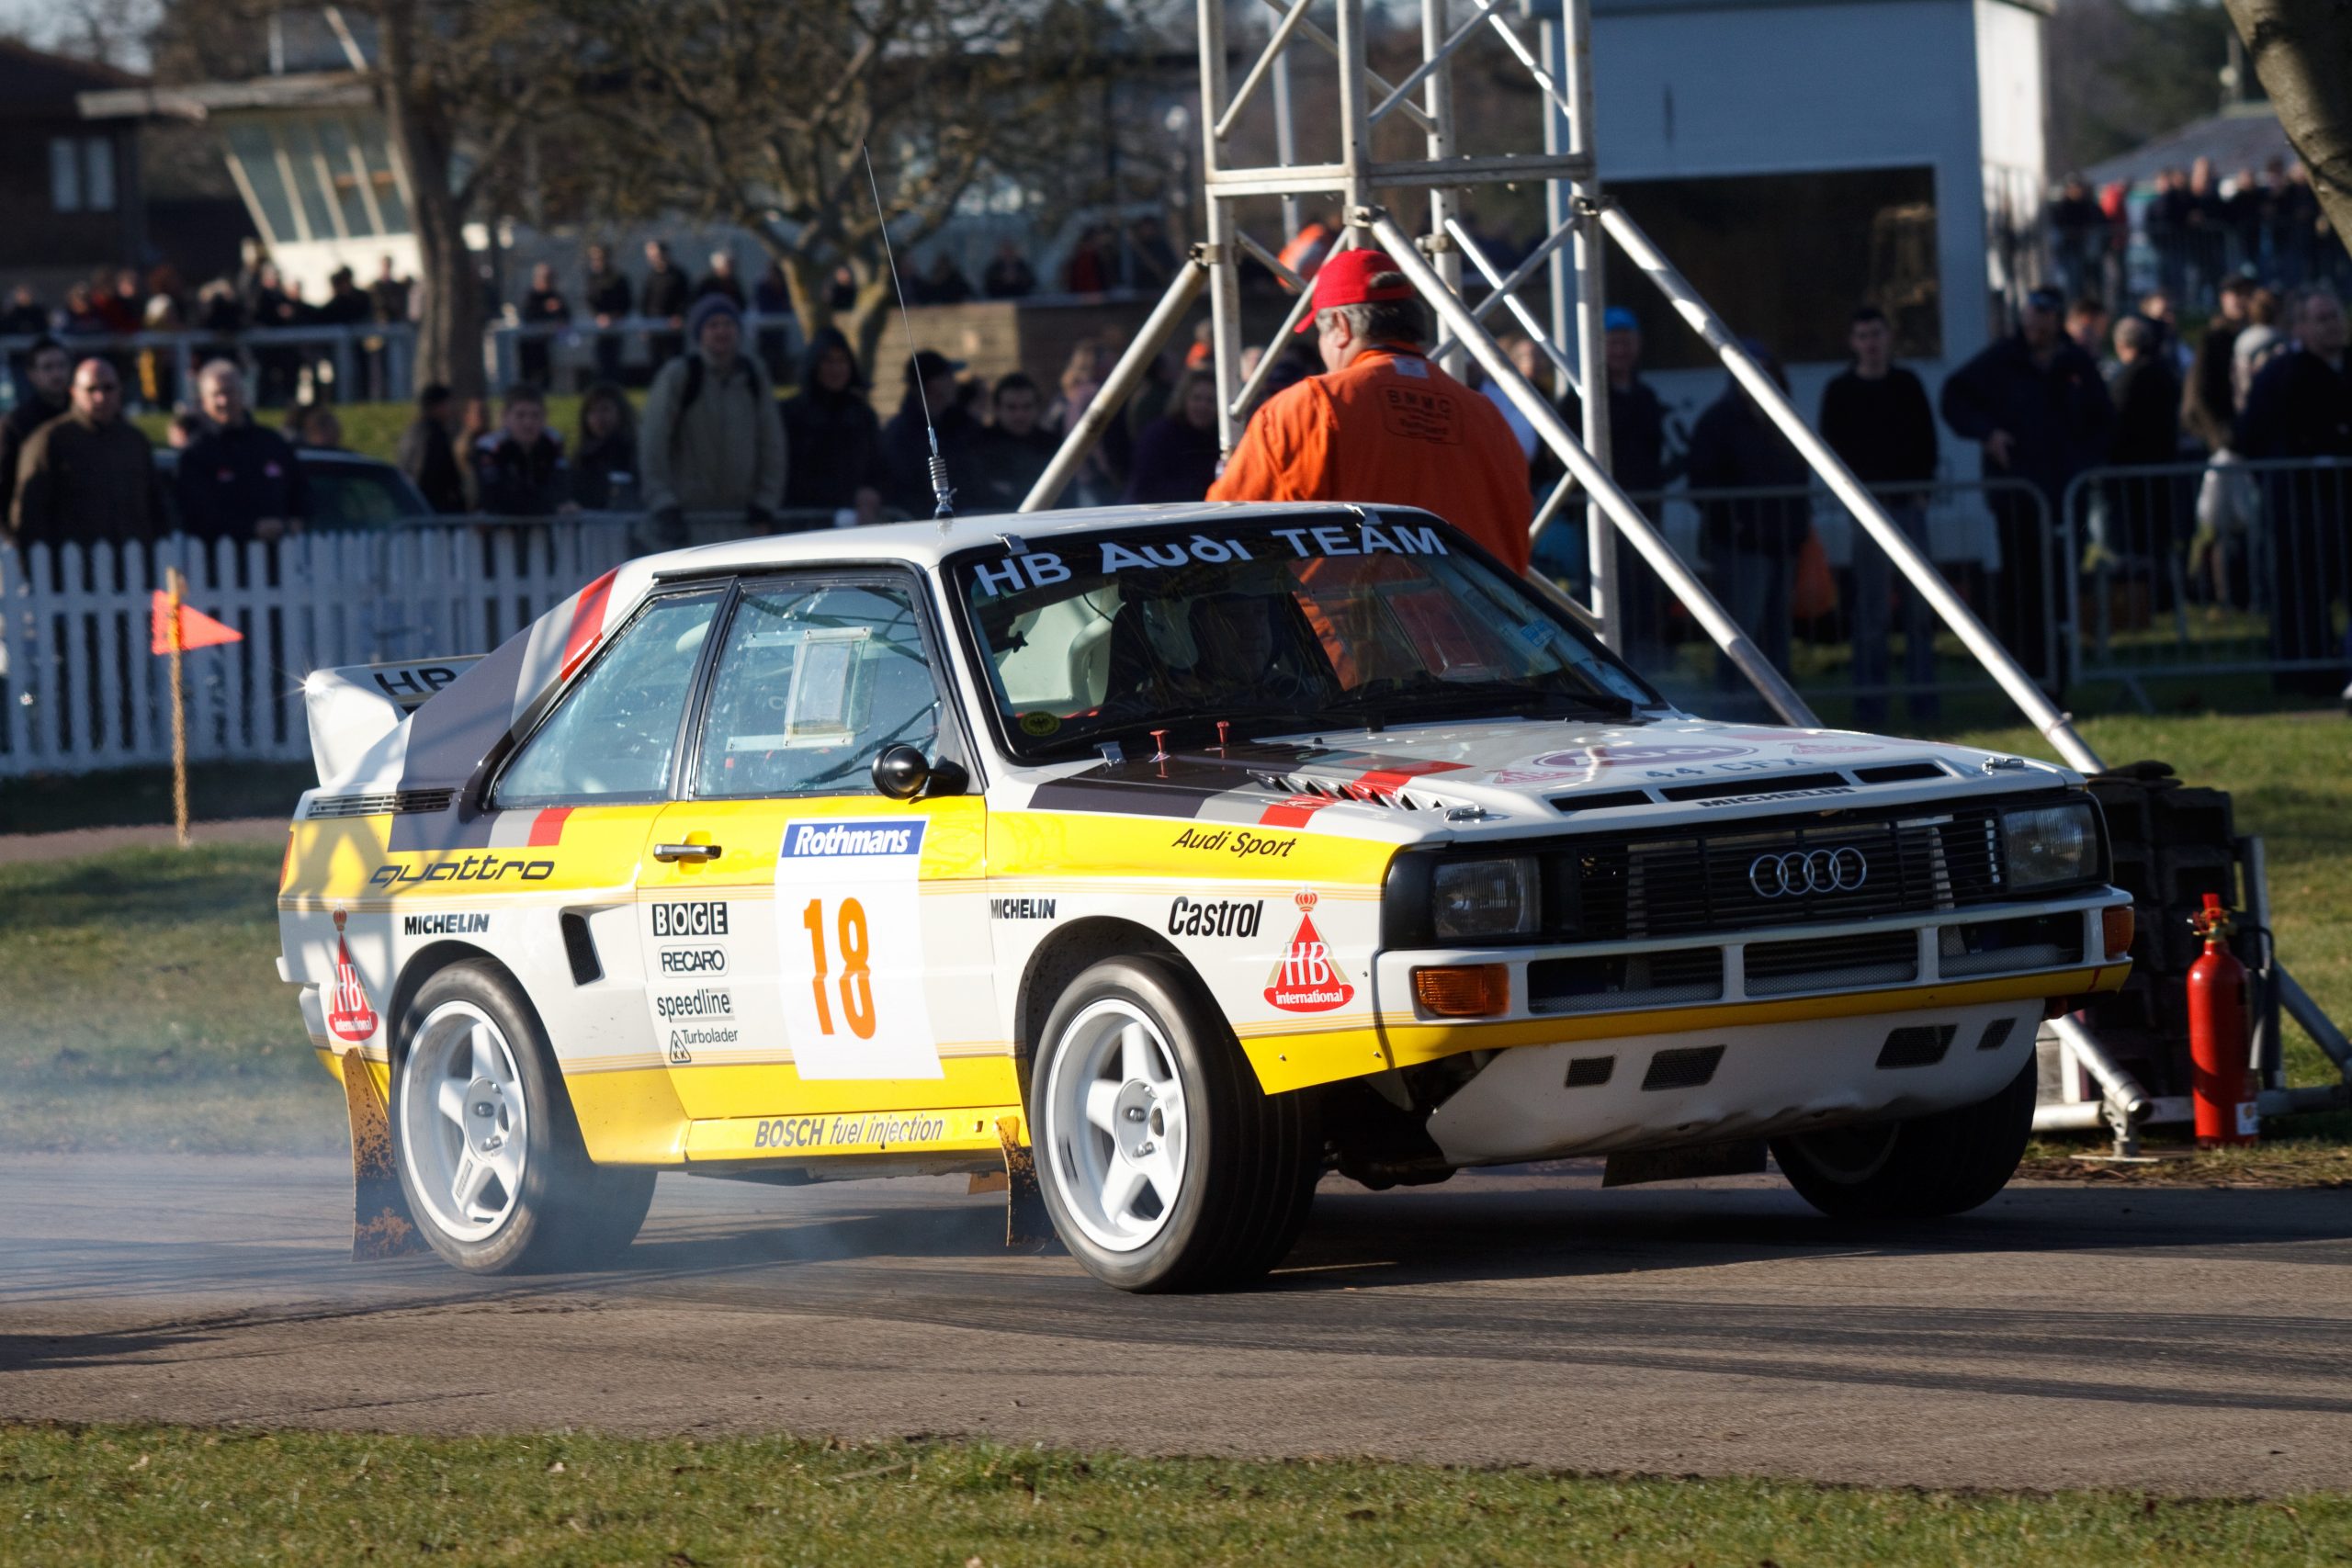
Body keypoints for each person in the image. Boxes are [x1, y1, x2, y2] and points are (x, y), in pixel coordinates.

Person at [1207, 248, 1532, 571]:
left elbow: (1220, 538)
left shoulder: (1308, 408)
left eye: (1321, 332)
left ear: (1340, 326)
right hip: (1479, 620)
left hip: (1353, 622)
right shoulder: (1487, 416)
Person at [1939, 285, 2114, 683]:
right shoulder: (2001, 360)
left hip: (2064, 496)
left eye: (2044, 316)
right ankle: (2026, 680)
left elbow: (2103, 420)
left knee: (2061, 589)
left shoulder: (2074, 363)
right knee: (2021, 592)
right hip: (2017, 496)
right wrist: (1988, 433)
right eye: (2030, 316)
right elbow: (1955, 396)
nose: (2035, 325)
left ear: (2056, 319)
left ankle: (2060, 679)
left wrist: (2084, 462)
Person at [1819, 305, 1941, 726]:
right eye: (1863, 336)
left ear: (1888, 337)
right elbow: (1830, 447)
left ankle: (1923, 702)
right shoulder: (1840, 390)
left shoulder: (1907, 384)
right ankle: (1870, 705)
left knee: (1919, 611)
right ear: (1853, 343)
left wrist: (1923, 489)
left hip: (1909, 507)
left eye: (1876, 334)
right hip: (1867, 513)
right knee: (1871, 612)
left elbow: (1927, 438)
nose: (1871, 343)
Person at [2235, 287, 2352, 691]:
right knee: (2302, 593)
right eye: (2320, 319)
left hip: (2342, 503)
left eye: (2335, 316)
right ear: (2300, 326)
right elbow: (2252, 435)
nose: (2331, 326)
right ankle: (2304, 676)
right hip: (2299, 508)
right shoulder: (2282, 374)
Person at [1688, 343, 1810, 700]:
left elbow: (1799, 477)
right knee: (1741, 634)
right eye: (1749, 369)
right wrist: (1735, 525)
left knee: (1778, 633)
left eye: (1765, 369)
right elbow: (1702, 484)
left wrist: (1800, 527)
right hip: (1740, 547)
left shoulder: (1786, 419)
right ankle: (1732, 704)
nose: (1758, 377)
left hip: (1783, 542)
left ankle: (1780, 709)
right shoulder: (1717, 421)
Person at [1554, 306, 1675, 660]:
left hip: (1644, 510)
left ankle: (1646, 658)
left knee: (1645, 588)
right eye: (1613, 342)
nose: (1621, 350)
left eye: (1627, 342)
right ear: (1599, 346)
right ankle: (1608, 658)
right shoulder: (1581, 399)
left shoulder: (1646, 395)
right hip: (1599, 514)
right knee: (1606, 589)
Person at [639, 293, 786, 538]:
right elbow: (653, 441)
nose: (722, 331)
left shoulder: (753, 376)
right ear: (699, 333)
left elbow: (772, 441)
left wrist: (767, 501)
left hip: (743, 521)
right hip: (688, 520)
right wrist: (662, 502)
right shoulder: (680, 375)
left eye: (728, 324)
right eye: (713, 325)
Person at [8, 358, 166, 550]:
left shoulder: (134, 440)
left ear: (120, 390)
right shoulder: (50, 440)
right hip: (69, 564)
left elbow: (156, 502)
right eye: (91, 389)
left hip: (132, 561)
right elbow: (29, 509)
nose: (100, 396)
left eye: (108, 388)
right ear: (74, 392)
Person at [176, 360, 310, 544]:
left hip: (279, 558)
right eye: (216, 394)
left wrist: (294, 521)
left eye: (229, 392)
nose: (224, 401)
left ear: (243, 393)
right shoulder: (197, 453)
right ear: (204, 400)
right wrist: (250, 529)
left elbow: (301, 491)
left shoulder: (271, 443)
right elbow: (197, 514)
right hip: (221, 560)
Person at [2103, 314, 2186, 611]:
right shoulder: (2166, 373)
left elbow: (2116, 423)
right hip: (2159, 470)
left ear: (2123, 345)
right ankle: (2159, 599)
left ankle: (2142, 603)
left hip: (2133, 474)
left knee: (2135, 544)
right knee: (2158, 542)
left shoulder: (2128, 379)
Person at [779, 327, 887, 525]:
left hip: (854, 523)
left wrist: (870, 493)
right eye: (828, 361)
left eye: (842, 361)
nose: (836, 369)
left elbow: (877, 467)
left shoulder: (862, 415)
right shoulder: (791, 414)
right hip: (803, 521)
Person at [881, 349, 978, 517]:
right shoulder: (899, 435)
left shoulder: (962, 425)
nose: (954, 383)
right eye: (949, 376)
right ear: (933, 384)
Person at [469, 383, 573, 516]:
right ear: (505, 417)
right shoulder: (489, 447)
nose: (528, 423)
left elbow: (562, 487)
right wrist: (549, 507)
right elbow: (492, 497)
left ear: (545, 418)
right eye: (520, 415)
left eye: (535, 415)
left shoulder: (553, 443)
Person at [1123, 367, 1221, 503]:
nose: (1203, 406)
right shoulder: (1159, 435)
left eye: (1211, 401)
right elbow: (1147, 486)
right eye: (1196, 398)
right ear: (1184, 400)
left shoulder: (1219, 439)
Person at [2184, 275, 2256, 454]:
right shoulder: (2213, 338)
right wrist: (2220, 436)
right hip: (2223, 435)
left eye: (2246, 294)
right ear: (2224, 298)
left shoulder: (2251, 333)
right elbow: (2200, 390)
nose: (2242, 300)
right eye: (2236, 294)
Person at [968, 371, 1057, 512]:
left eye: (1026, 407)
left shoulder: (1053, 445)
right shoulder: (979, 445)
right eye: (1011, 407)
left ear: (1037, 408)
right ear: (997, 409)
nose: (1020, 415)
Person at [1, 337, 71, 504]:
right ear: (32, 374)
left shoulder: (89, 417)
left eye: (61, 365)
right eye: (48, 367)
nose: (56, 374)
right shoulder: (16, 424)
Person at [395, 383, 468, 514]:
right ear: (436, 406)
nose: (452, 409)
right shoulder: (433, 435)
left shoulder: (413, 431)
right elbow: (428, 475)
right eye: (448, 404)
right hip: (433, 510)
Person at [570, 381, 639, 510]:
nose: (598, 417)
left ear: (620, 412)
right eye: (592, 411)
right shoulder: (581, 457)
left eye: (605, 409)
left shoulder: (633, 453)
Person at [583, 243, 632, 385]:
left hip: (616, 325)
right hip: (599, 327)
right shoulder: (592, 278)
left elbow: (626, 301)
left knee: (613, 361)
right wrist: (598, 316)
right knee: (600, 362)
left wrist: (615, 315)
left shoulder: (618, 278)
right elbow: (590, 301)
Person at [518, 262, 571, 388]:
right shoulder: (530, 296)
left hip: (548, 344)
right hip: (530, 346)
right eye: (546, 278)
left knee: (546, 378)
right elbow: (527, 316)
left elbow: (567, 316)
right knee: (529, 378)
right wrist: (544, 308)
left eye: (551, 278)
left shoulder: (555, 295)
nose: (549, 281)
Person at [640, 241, 690, 370]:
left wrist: (679, 316)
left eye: (655, 254)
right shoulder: (650, 277)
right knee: (656, 364)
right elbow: (645, 302)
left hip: (673, 329)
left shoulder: (678, 275)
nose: (653, 258)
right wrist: (644, 325)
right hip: (654, 328)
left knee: (675, 364)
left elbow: (686, 298)